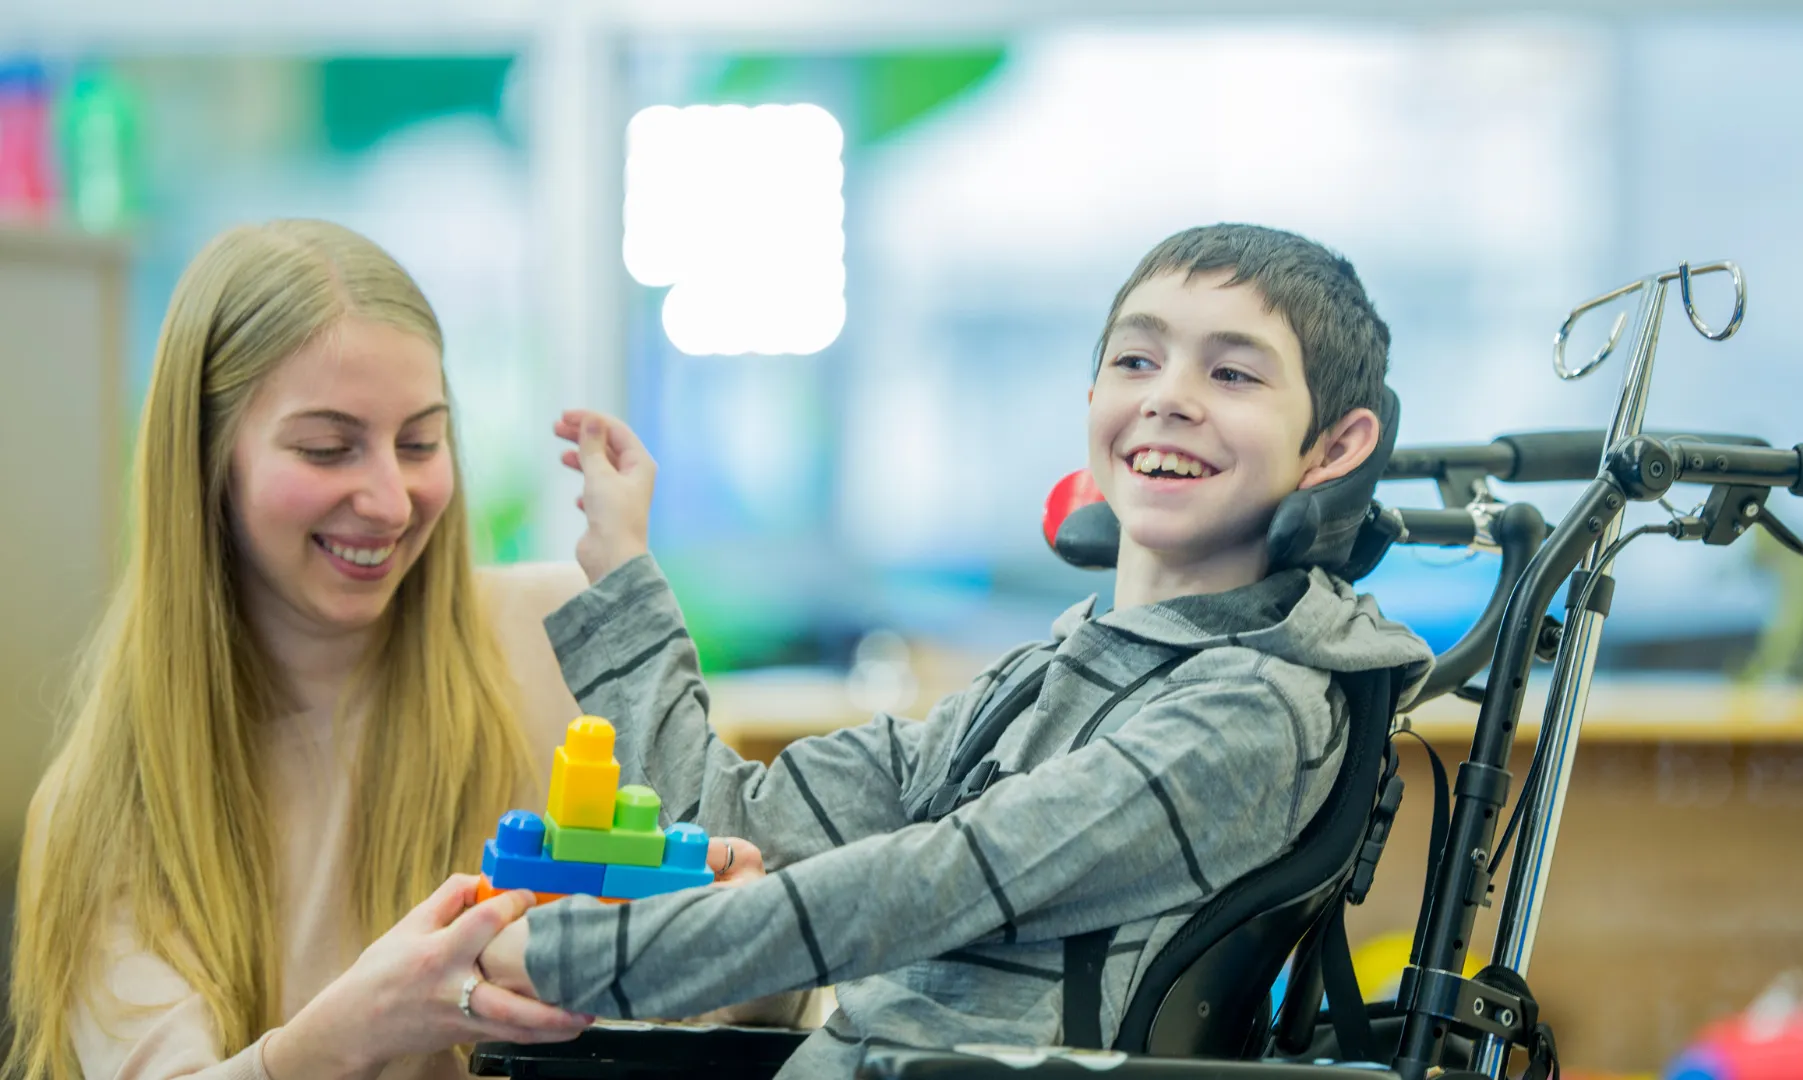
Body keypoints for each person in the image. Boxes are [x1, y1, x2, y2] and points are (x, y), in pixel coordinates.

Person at [476, 223, 1436, 1078]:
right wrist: (621, 569)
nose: (1168, 399)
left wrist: (570, 960)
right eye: (1137, 360)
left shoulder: (1256, 711)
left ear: (1335, 447)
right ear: (1093, 396)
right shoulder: (1040, 679)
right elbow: (725, 820)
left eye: (1232, 374)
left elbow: (934, 880)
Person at [5, 220, 791, 1080]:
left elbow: (732, 1020)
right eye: (327, 448)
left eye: (420, 443)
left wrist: (760, 941)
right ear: (206, 462)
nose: (390, 500)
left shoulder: (561, 636)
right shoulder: (107, 806)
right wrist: (350, 1031)